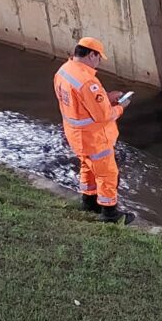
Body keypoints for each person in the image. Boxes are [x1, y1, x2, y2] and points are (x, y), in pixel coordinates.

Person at [53, 37, 134, 224]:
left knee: (87, 166)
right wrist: (122, 106)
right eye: (98, 58)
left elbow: (80, 103)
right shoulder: (88, 81)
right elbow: (104, 116)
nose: (98, 63)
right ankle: (110, 213)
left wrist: (106, 97)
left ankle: (89, 201)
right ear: (91, 54)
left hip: (76, 135)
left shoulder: (63, 71)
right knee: (107, 174)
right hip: (94, 137)